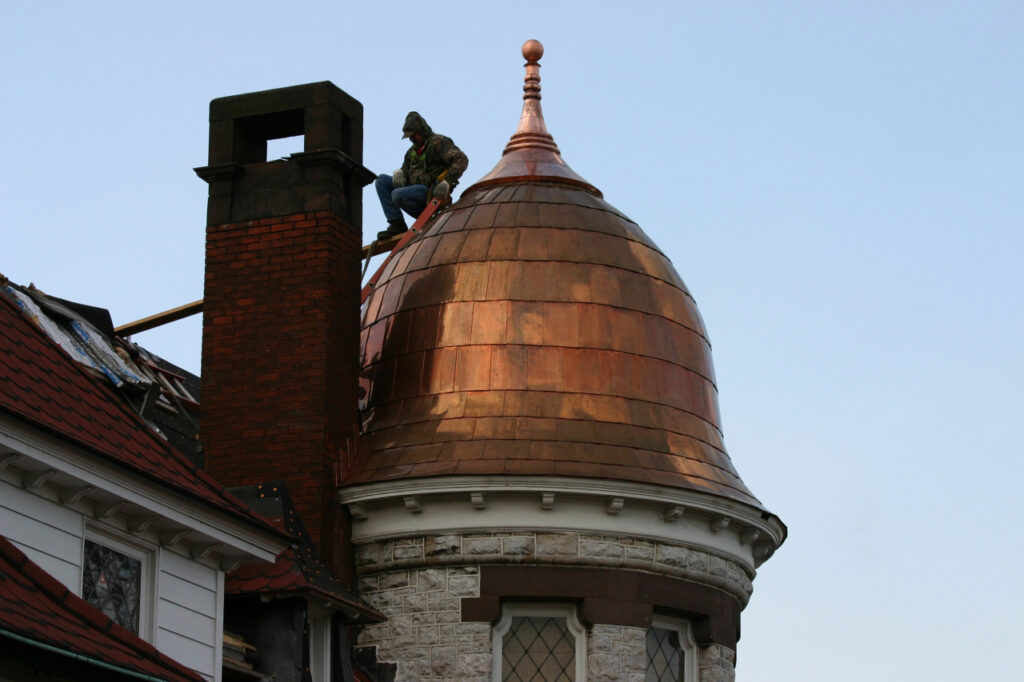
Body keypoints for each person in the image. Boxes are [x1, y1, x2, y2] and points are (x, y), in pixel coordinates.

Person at [374, 112, 468, 240]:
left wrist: (447, 182)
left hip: (429, 192)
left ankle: (427, 216)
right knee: (382, 181)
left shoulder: (438, 143)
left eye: (413, 136)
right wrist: (399, 173)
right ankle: (397, 224)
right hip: (412, 190)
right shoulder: (411, 153)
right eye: (409, 137)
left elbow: (461, 160)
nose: (411, 139)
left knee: (397, 194)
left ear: (421, 131)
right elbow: (406, 170)